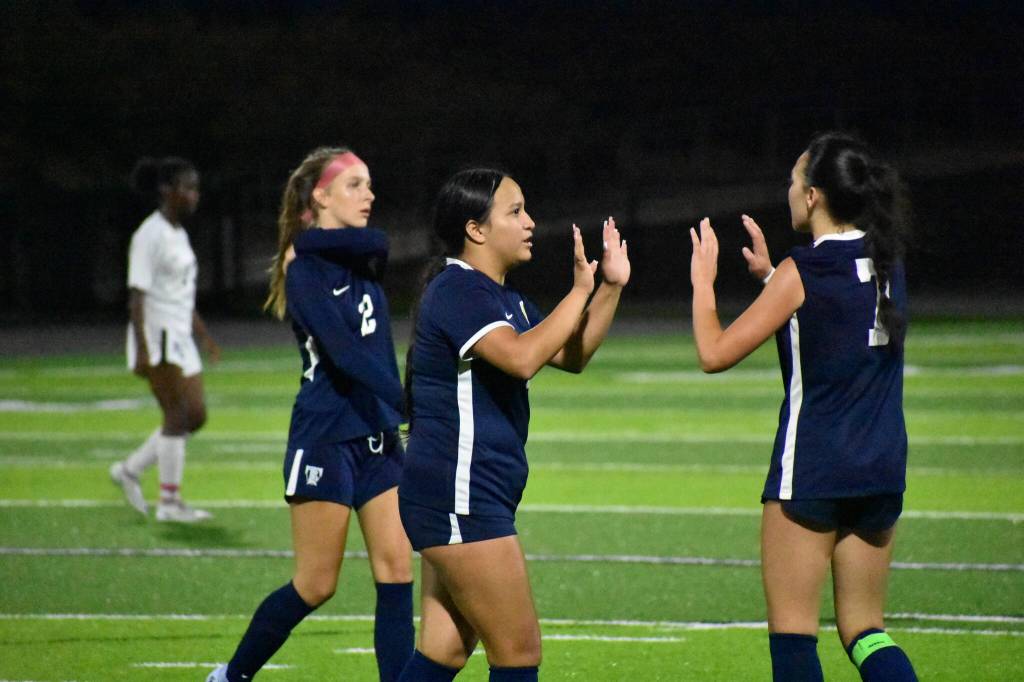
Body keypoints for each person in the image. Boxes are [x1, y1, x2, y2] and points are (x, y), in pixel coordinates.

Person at [689, 132, 917, 681]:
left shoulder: (804, 271)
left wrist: (703, 283)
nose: (789, 191)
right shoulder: (887, 261)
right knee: (865, 629)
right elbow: (836, 320)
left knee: (793, 639)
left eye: (794, 182)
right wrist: (772, 281)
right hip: (881, 470)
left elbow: (714, 353)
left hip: (814, 471)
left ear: (813, 196)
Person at [396, 168, 631, 682]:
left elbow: (571, 355)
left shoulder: (503, 298)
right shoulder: (459, 290)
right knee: (518, 656)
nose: (530, 223)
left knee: (443, 653)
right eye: (515, 211)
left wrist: (609, 287)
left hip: (463, 493)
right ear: (476, 230)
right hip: (461, 495)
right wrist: (578, 291)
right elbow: (522, 358)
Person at [206, 147, 414, 682]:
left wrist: (393, 411)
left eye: (370, 184)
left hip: (377, 433)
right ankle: (231, 676)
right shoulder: (304, 269)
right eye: (355, 185)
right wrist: (409, 402)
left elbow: (379, 240)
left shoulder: (356, 251)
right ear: (319, 196)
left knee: (396, 570)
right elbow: (344, 354)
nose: (369, 195)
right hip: (327, 435)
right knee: (317, 584)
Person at [109, 156, 219, 523]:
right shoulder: (149, 234)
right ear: (166, 191)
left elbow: (180, 292)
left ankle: (129, 470)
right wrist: (142, 348)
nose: (194, 195)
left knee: (196, 416)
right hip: (158, 335)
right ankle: (169, 504)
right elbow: (137, 296)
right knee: (177, 415)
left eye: (195, 188)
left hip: (181, 334)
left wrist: (203, 335)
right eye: (188, 188)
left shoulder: (178, 233)